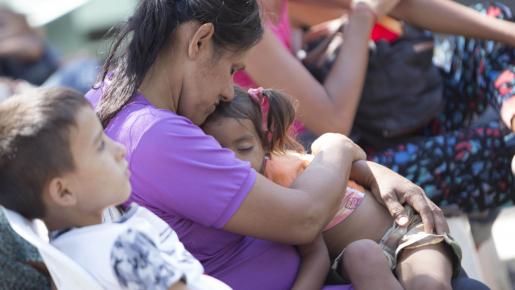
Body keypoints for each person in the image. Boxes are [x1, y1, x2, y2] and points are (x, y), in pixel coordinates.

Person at [86, 1, 482, 289]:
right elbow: (304, 216)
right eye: (232, 70)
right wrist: (339, 147)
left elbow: (276, 170)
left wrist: (365, 167)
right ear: (200, 41)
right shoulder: (155, 135)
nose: (228, 92)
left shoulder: (112, 100)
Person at [236, 0, 515, 214]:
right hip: (335, 174)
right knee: (502, 149)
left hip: (390, 118)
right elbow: (333, 122)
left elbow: (397, 4)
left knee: (492, 16)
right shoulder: (242, 21)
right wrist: (361, 17)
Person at [202, 86, 464, 290]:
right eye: (217, 151)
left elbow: (354, 162)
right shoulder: (263, 200)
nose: (233, 160)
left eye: (244, 148)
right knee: (363, 254)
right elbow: (315, 255)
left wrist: (374, 170)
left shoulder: (287, 165)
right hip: (359, 254)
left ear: (265, 143)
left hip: (406, 229)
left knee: (430, 284)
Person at [0, 87, 227, 290]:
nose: (119, 149)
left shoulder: (62, 259)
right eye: (100, 145)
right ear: (64, 192)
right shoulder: (123, 247)